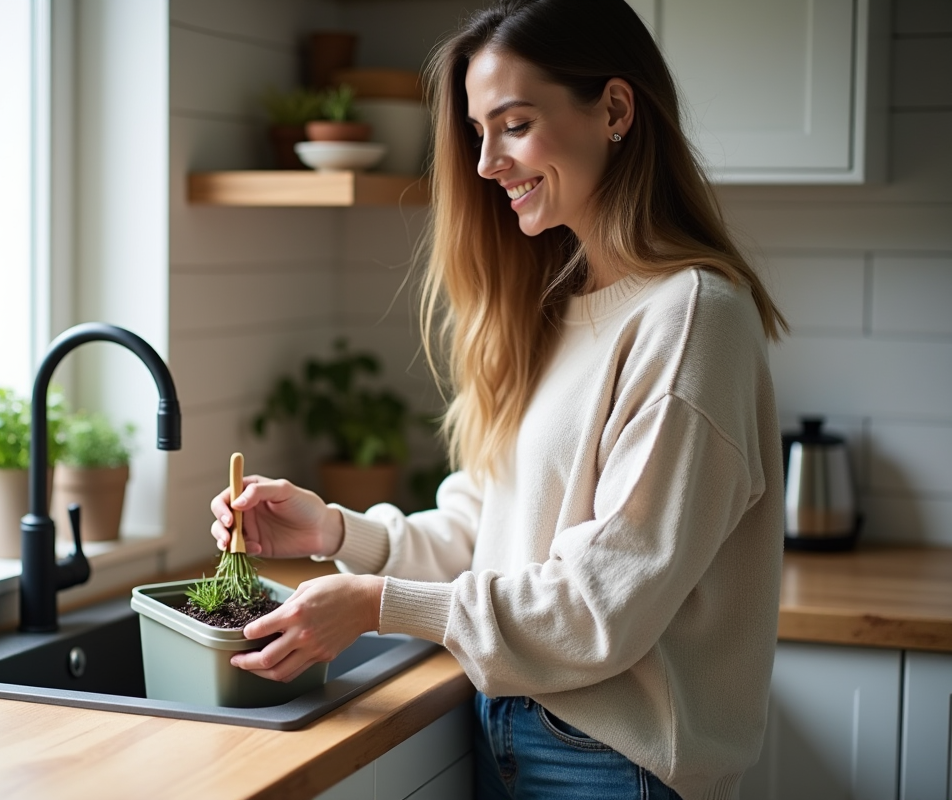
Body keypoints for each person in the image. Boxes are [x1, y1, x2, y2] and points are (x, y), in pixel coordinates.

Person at [210, 1, 787, 797]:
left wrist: (379, 604)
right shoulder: (555, 305)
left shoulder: (690, 319)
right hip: (509, 725)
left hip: (613, 764)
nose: (486, 164)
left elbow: (599, 606)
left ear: (615, 110)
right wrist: (334, 528)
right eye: (480, 131)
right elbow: (484, 531)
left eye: (514, 125)